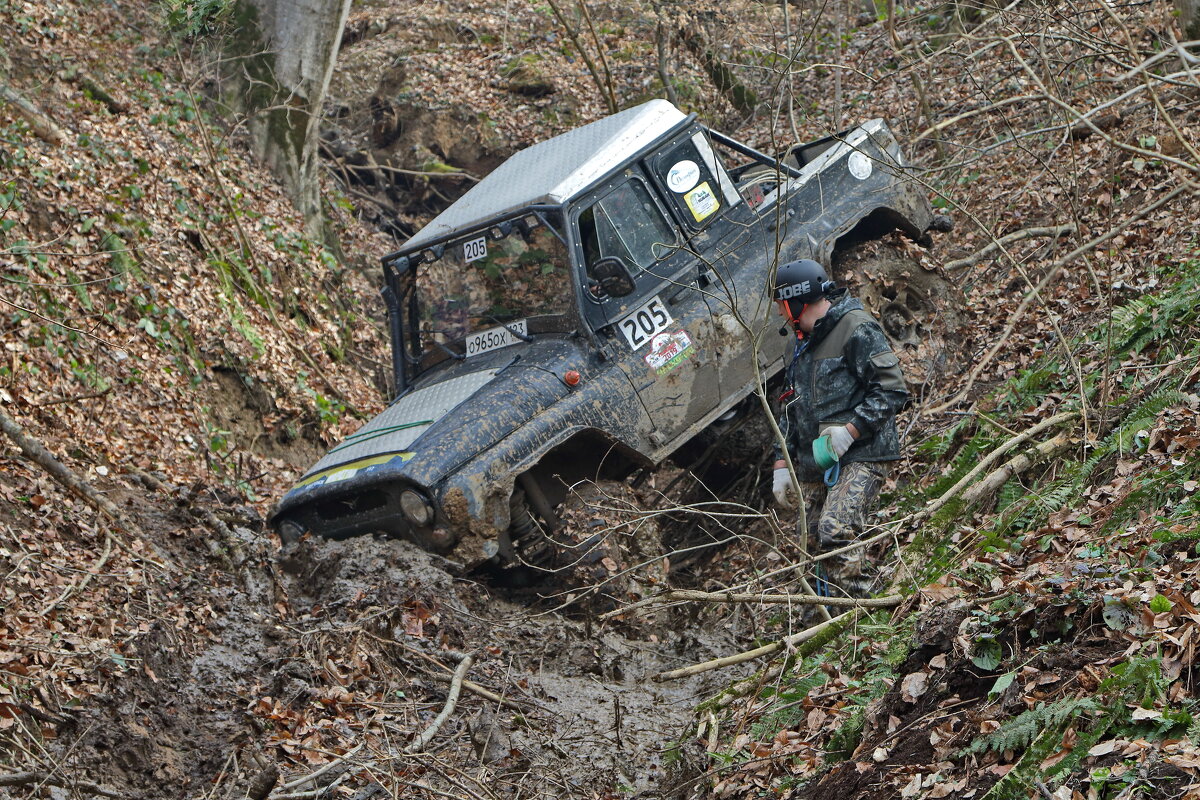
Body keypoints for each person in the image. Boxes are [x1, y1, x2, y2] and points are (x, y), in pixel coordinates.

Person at [770, 258, 908, 597]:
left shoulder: (855, 327)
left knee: (835, 529)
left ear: (796, 301)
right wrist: (781, 464)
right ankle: (820, 625)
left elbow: (892, 389)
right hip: (818, 459)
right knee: (811, 544)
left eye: (781, 307)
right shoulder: (798, 347)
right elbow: (789, 408)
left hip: (864, 451)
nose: (779, 315)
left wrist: (851, 431)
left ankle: (862, 619)